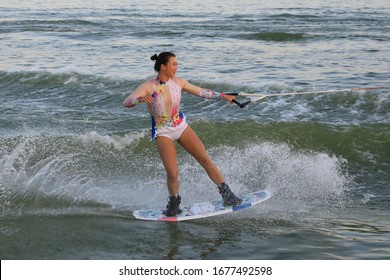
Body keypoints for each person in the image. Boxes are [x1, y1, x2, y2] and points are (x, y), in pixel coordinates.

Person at [123, 52, 242, 216]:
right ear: (163, 66)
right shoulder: (148, 86)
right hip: (163, 130)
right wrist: (140, 100)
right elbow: (127, 102)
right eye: (173, 64)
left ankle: (227, 195)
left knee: (204, 159)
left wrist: (222, 96)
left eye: (176, 64)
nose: (176, 67)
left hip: (180, 125)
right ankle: (173, 203)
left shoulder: (179, 82)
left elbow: (201, 92)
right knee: (172, 173)